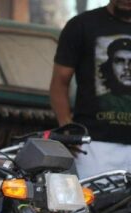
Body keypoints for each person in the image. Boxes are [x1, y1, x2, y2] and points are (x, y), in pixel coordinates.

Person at [51, 0, 131, 178]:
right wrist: (67, 128)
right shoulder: (82, 25)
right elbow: (60, 83)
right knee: (91, 205)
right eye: (120, 61)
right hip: (93, 146)